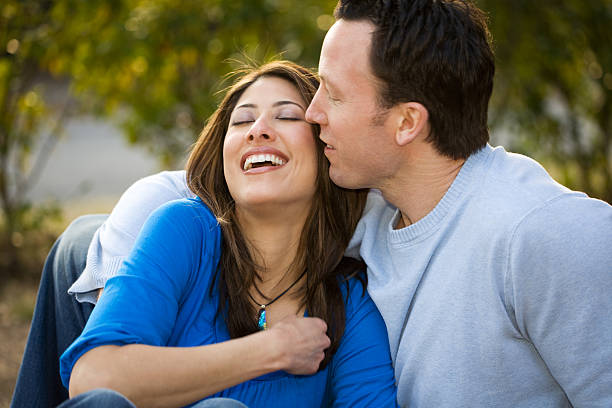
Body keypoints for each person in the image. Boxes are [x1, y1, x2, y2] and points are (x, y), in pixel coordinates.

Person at [12, 0, 612, 407]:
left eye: (329, 95)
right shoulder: (374, 214)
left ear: (407, 122)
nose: (316, 111)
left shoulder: (547, 235)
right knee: (76, 246)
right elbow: (217, 195)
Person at [53, 61, 398, 408]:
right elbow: (93, 380)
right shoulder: (184, 232)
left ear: (328, 151)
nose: (258, 130)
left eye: (288, 117)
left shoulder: (349, 308)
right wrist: (272, 349)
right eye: (243, 120)